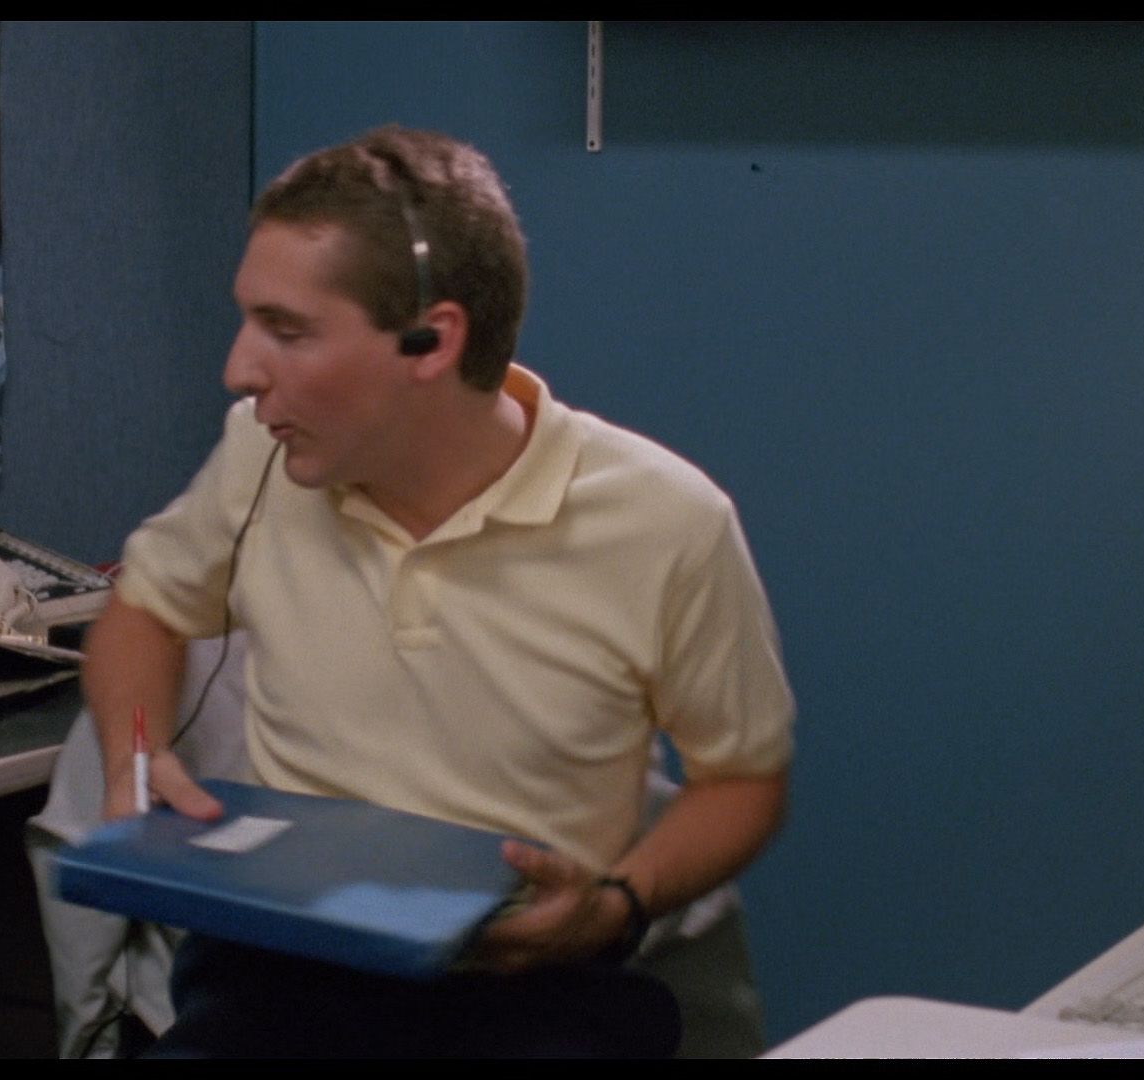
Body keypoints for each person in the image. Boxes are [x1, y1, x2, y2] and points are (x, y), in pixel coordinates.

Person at [82, 125, 795, 1058]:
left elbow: (742, 780)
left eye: (287, 331)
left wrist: (619, 903)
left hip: (527, 985)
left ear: (432, 340)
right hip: (283, 979)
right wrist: (133, 758)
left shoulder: (667, 521)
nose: (239, 371)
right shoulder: (260, 455)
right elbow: (144, 608)